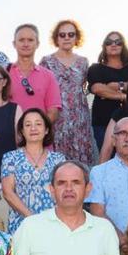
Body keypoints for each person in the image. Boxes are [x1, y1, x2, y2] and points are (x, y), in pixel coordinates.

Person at [1, 108, 66, 255]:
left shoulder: (59, 159)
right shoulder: (10, 157)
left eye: (38, 123)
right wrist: (31, 217)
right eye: (28, 124)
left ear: (46, 129)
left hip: (53, 225)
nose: (33, 128)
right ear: (21, 130)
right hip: (22, 224)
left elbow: (64, 191)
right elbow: (8, 192)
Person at [39, 19, 95, 164]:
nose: (66, 38)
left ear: (76, 37)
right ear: (56, 38)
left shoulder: (83, 62)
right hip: (57, 119)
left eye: (71, 34)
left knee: (80, 166)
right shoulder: (47, 61)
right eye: (62, 35)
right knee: (57, 164)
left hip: (80, 119)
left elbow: (84, 87)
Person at [87, 31, 128, 150]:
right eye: (109, 42)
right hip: (103, 122)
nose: (114, 45)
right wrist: (124, 96)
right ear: (104, 46)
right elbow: (97, 89)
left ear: (123, 46)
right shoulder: (96, 68)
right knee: (108, 158)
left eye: (118, 42)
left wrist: (117, 85)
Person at [8, 24, 61, 126]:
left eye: (30, 40)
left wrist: (34, 132)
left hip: (38, 139)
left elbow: (53, 112)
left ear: (37, 44)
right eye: (21, 40)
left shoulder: (48, 76)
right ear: (14, 44)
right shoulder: (4, 74)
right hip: (9, 139)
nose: (26, 44)